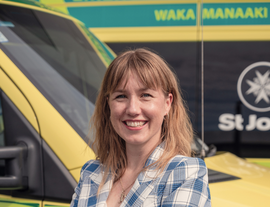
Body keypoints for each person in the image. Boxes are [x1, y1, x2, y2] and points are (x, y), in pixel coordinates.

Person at [70, 48, 211, 207]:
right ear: (108, 104)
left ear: (167, 103)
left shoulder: (185, 172)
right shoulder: (91, 173)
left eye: (145, 95)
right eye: (121, 96)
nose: (132, 109)